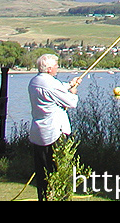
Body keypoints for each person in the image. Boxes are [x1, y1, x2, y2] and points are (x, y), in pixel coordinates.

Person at [28, 53, 81, 201]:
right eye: (56, 66)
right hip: (54, 134)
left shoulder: (34, 81)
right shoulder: (50, 84)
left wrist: (70, 84)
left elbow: (55, 89)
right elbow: (71, 102)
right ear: (50, 68)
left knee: (42, 173)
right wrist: (73, 92)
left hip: (38, 133)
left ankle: (44, 198)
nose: (57, 68)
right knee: (58, 170)